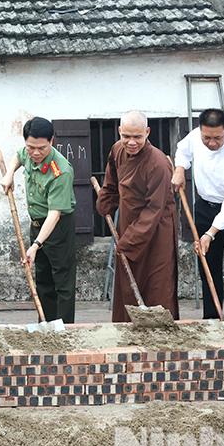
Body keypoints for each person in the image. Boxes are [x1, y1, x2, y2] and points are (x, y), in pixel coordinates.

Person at [95, 110, 179, 322]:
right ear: (119, 131)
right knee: (128, 285)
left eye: (137, 137)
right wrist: (106, 199)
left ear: (147, 132)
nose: (131, 142)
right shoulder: (117, 150)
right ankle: (126, 328)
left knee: (157, 285)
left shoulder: (158, 163)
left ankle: (160, 332)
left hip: (156, 230)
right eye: (126, 136)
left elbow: (154, 209)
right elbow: (112, 180)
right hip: (128, 222)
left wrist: (129, 240)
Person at [172, 108, 224, 319]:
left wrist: (211, 233)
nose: (211, 143)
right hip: (205, 206)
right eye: (206, 138)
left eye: (217, 138)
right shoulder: (195, 136)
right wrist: (180, 168)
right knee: (207, 262)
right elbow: (183, 150)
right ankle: (211, 318)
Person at [0, 116, 78, 323]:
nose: (35, 153)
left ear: (52, 141)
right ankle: (46, 326)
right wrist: (9, 173)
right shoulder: (28, 152)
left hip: (58, 227)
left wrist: (35, 245)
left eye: (41, 148)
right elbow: (18, 156)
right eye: (31, 147)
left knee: (62, 282)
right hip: (37, 225)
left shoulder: (61, 171)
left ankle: (64, 330)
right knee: (43, 280)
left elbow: (55, 214)